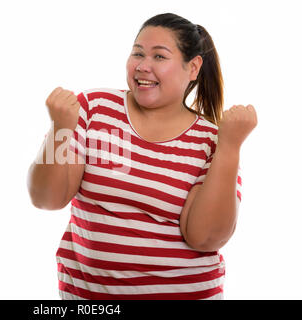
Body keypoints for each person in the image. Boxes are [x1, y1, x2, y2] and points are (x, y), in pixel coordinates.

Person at [27, 13, 257, 300]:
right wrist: (59, 129)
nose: (143, 66)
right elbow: (46, 199)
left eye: (159, 57)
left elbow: (206, 237)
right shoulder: (95, 108)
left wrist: (230, 147)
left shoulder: (212, 140)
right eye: (137, 53)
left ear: (193, 67)